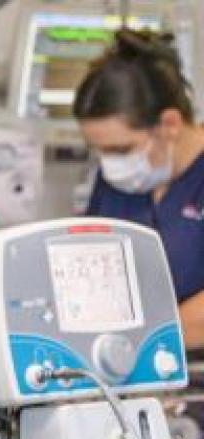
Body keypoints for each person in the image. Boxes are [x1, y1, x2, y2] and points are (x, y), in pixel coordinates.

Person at [75, 28, 204, 348]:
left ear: (170, 124)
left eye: (121, 150)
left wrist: (142, 344)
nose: (109, 165)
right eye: (99, 150)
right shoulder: (113, 185)